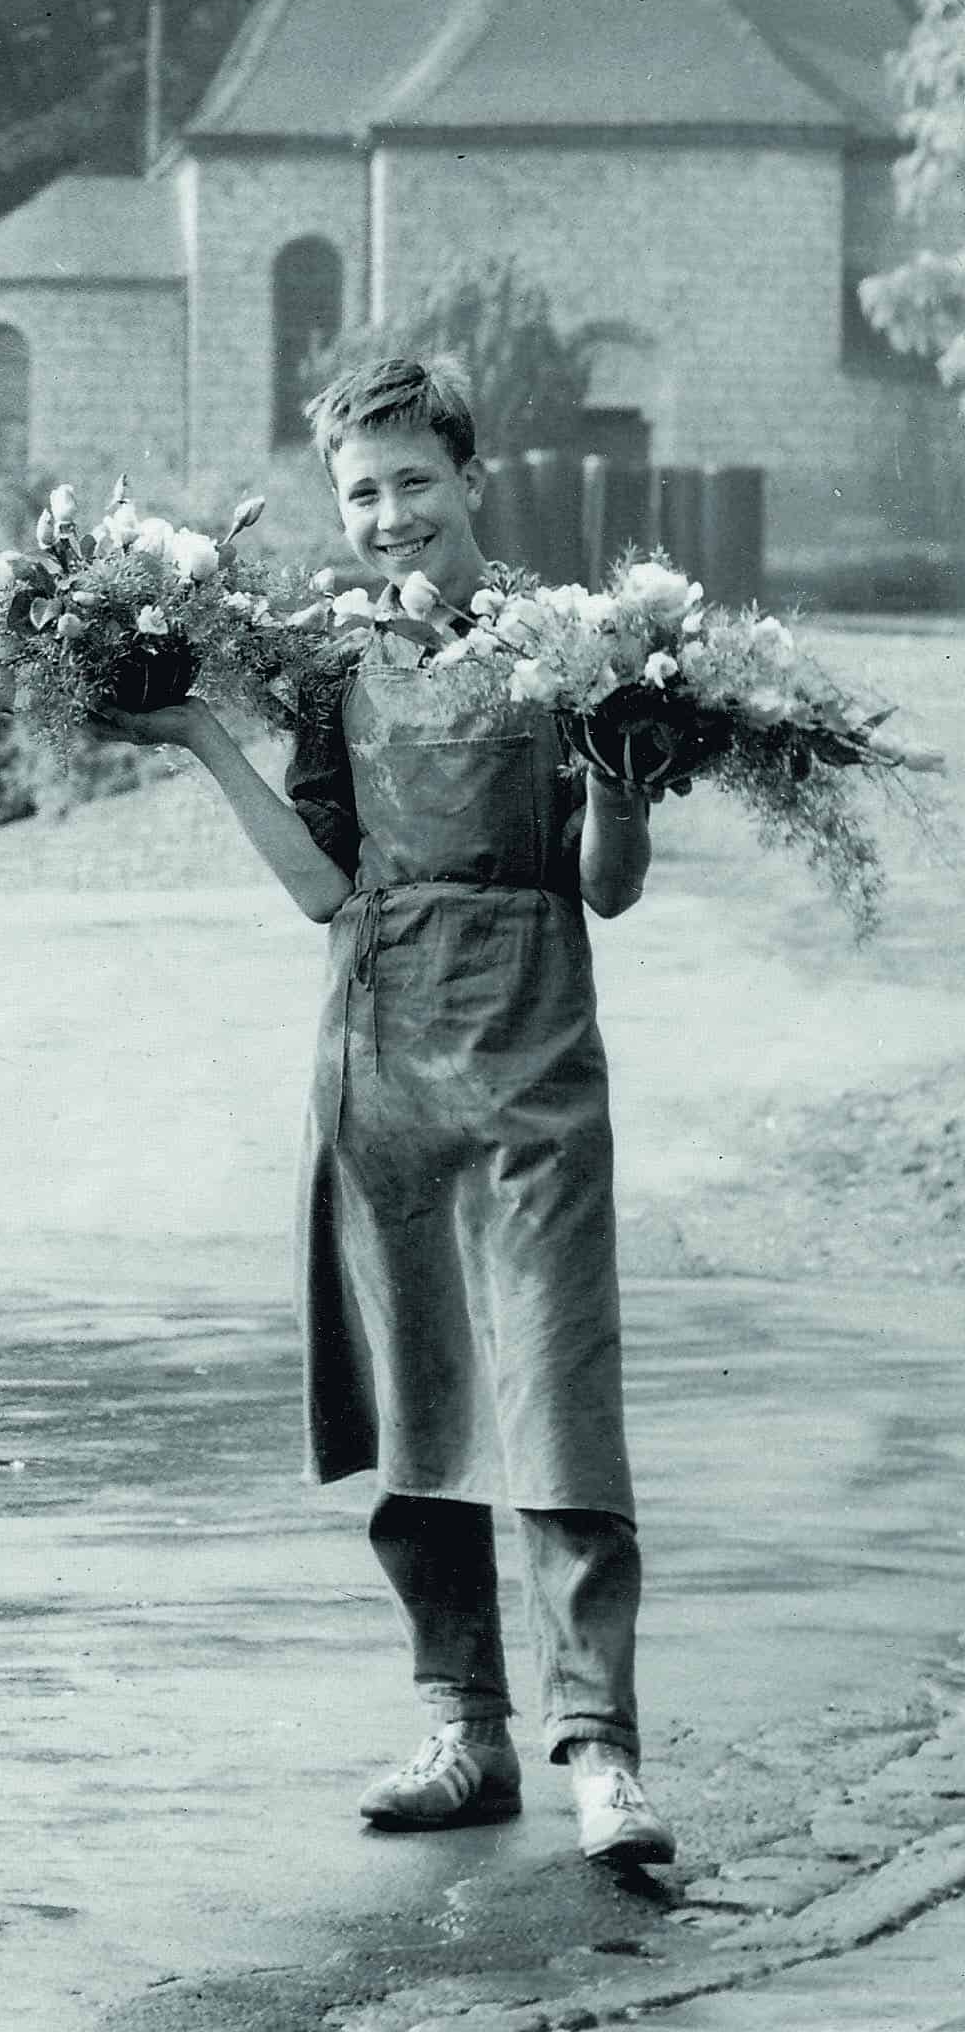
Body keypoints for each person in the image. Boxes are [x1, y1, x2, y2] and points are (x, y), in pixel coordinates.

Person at [95, 357, 674, 1865]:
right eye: (362, 492)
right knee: (421, 1405)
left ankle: (601, 1754)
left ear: (469, 475)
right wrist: (208, 739)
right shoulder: (330, 664)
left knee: (556, 1400)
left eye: (415, 480)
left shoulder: (570, 643)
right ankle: (465, 1735)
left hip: (536, 1051)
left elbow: (606, 885)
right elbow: (322, 889)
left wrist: (617, 772)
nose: (391, 514)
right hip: (381, 1057)